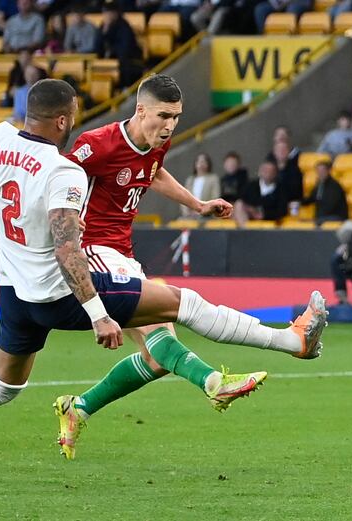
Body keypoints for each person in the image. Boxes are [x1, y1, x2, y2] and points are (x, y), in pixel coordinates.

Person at [0, 67, 328, 475]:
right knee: (181, 303)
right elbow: (68, 248)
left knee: (3, 385)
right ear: (64, 120)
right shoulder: (64, 168)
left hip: (15, 295)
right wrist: (97, 313)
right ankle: (289, 342)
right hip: (63, 292)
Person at [61, 75, 290, 460]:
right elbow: (59, 177)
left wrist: (196, 205)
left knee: (157, 357)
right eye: (163, 116)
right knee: (161, 327)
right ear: (141, 110)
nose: (169, 126)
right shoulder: (97, 145)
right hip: (93, 253)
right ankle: (214, 382)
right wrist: (65, 217)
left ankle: (77, 408)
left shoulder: (155, 142)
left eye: (177, 117)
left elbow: (154, 172)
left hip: (122, 255)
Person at [235, 160, 288, 225]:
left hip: (268, 218)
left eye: (270, 171)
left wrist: (262, 214)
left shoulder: (281, 189)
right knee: (238, 205)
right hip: (248, 215)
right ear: (260, 171)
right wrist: (251, 210)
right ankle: (244, 231)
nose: (267, 173)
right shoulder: (250, 186)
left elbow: (282, 210)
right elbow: (242, 200)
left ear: (275, 173)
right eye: (265, 170)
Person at [181, 153, 221, 217]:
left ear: (208, 164)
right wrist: (187, 213)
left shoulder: (213, 178)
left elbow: (215, 197)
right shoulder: (190, 180)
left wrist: (203, 210)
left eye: (204, 161)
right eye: (199, 161)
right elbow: (183, 197)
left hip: (207, 215)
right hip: (190, 215)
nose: (201, 164)